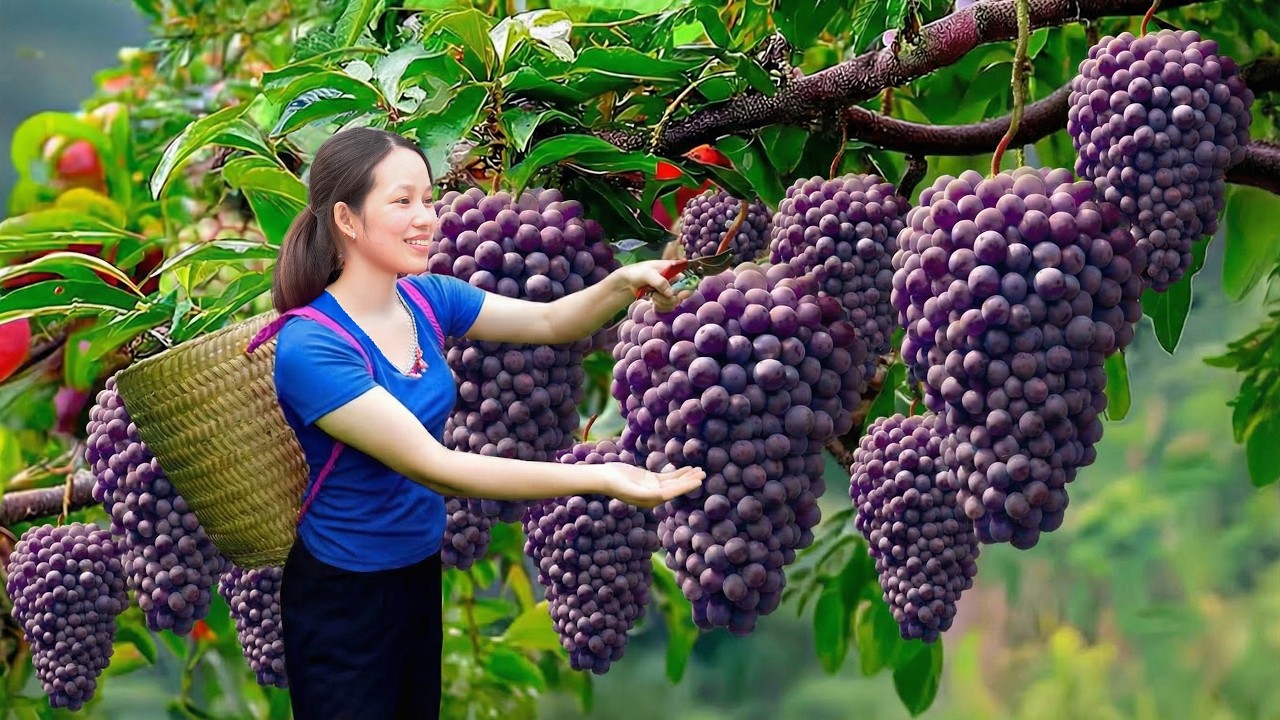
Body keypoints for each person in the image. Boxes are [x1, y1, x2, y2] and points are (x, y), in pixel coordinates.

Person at [268, 126, 705, 719]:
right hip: (343, 593)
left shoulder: (426, 299)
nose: (426, 217)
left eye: (428, 198)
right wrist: (600, 478)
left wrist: (620, 284)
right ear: (346, 219)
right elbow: (438, 469)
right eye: (402, 202)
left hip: (415, 573)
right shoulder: (310, 348)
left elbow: (552, 323)